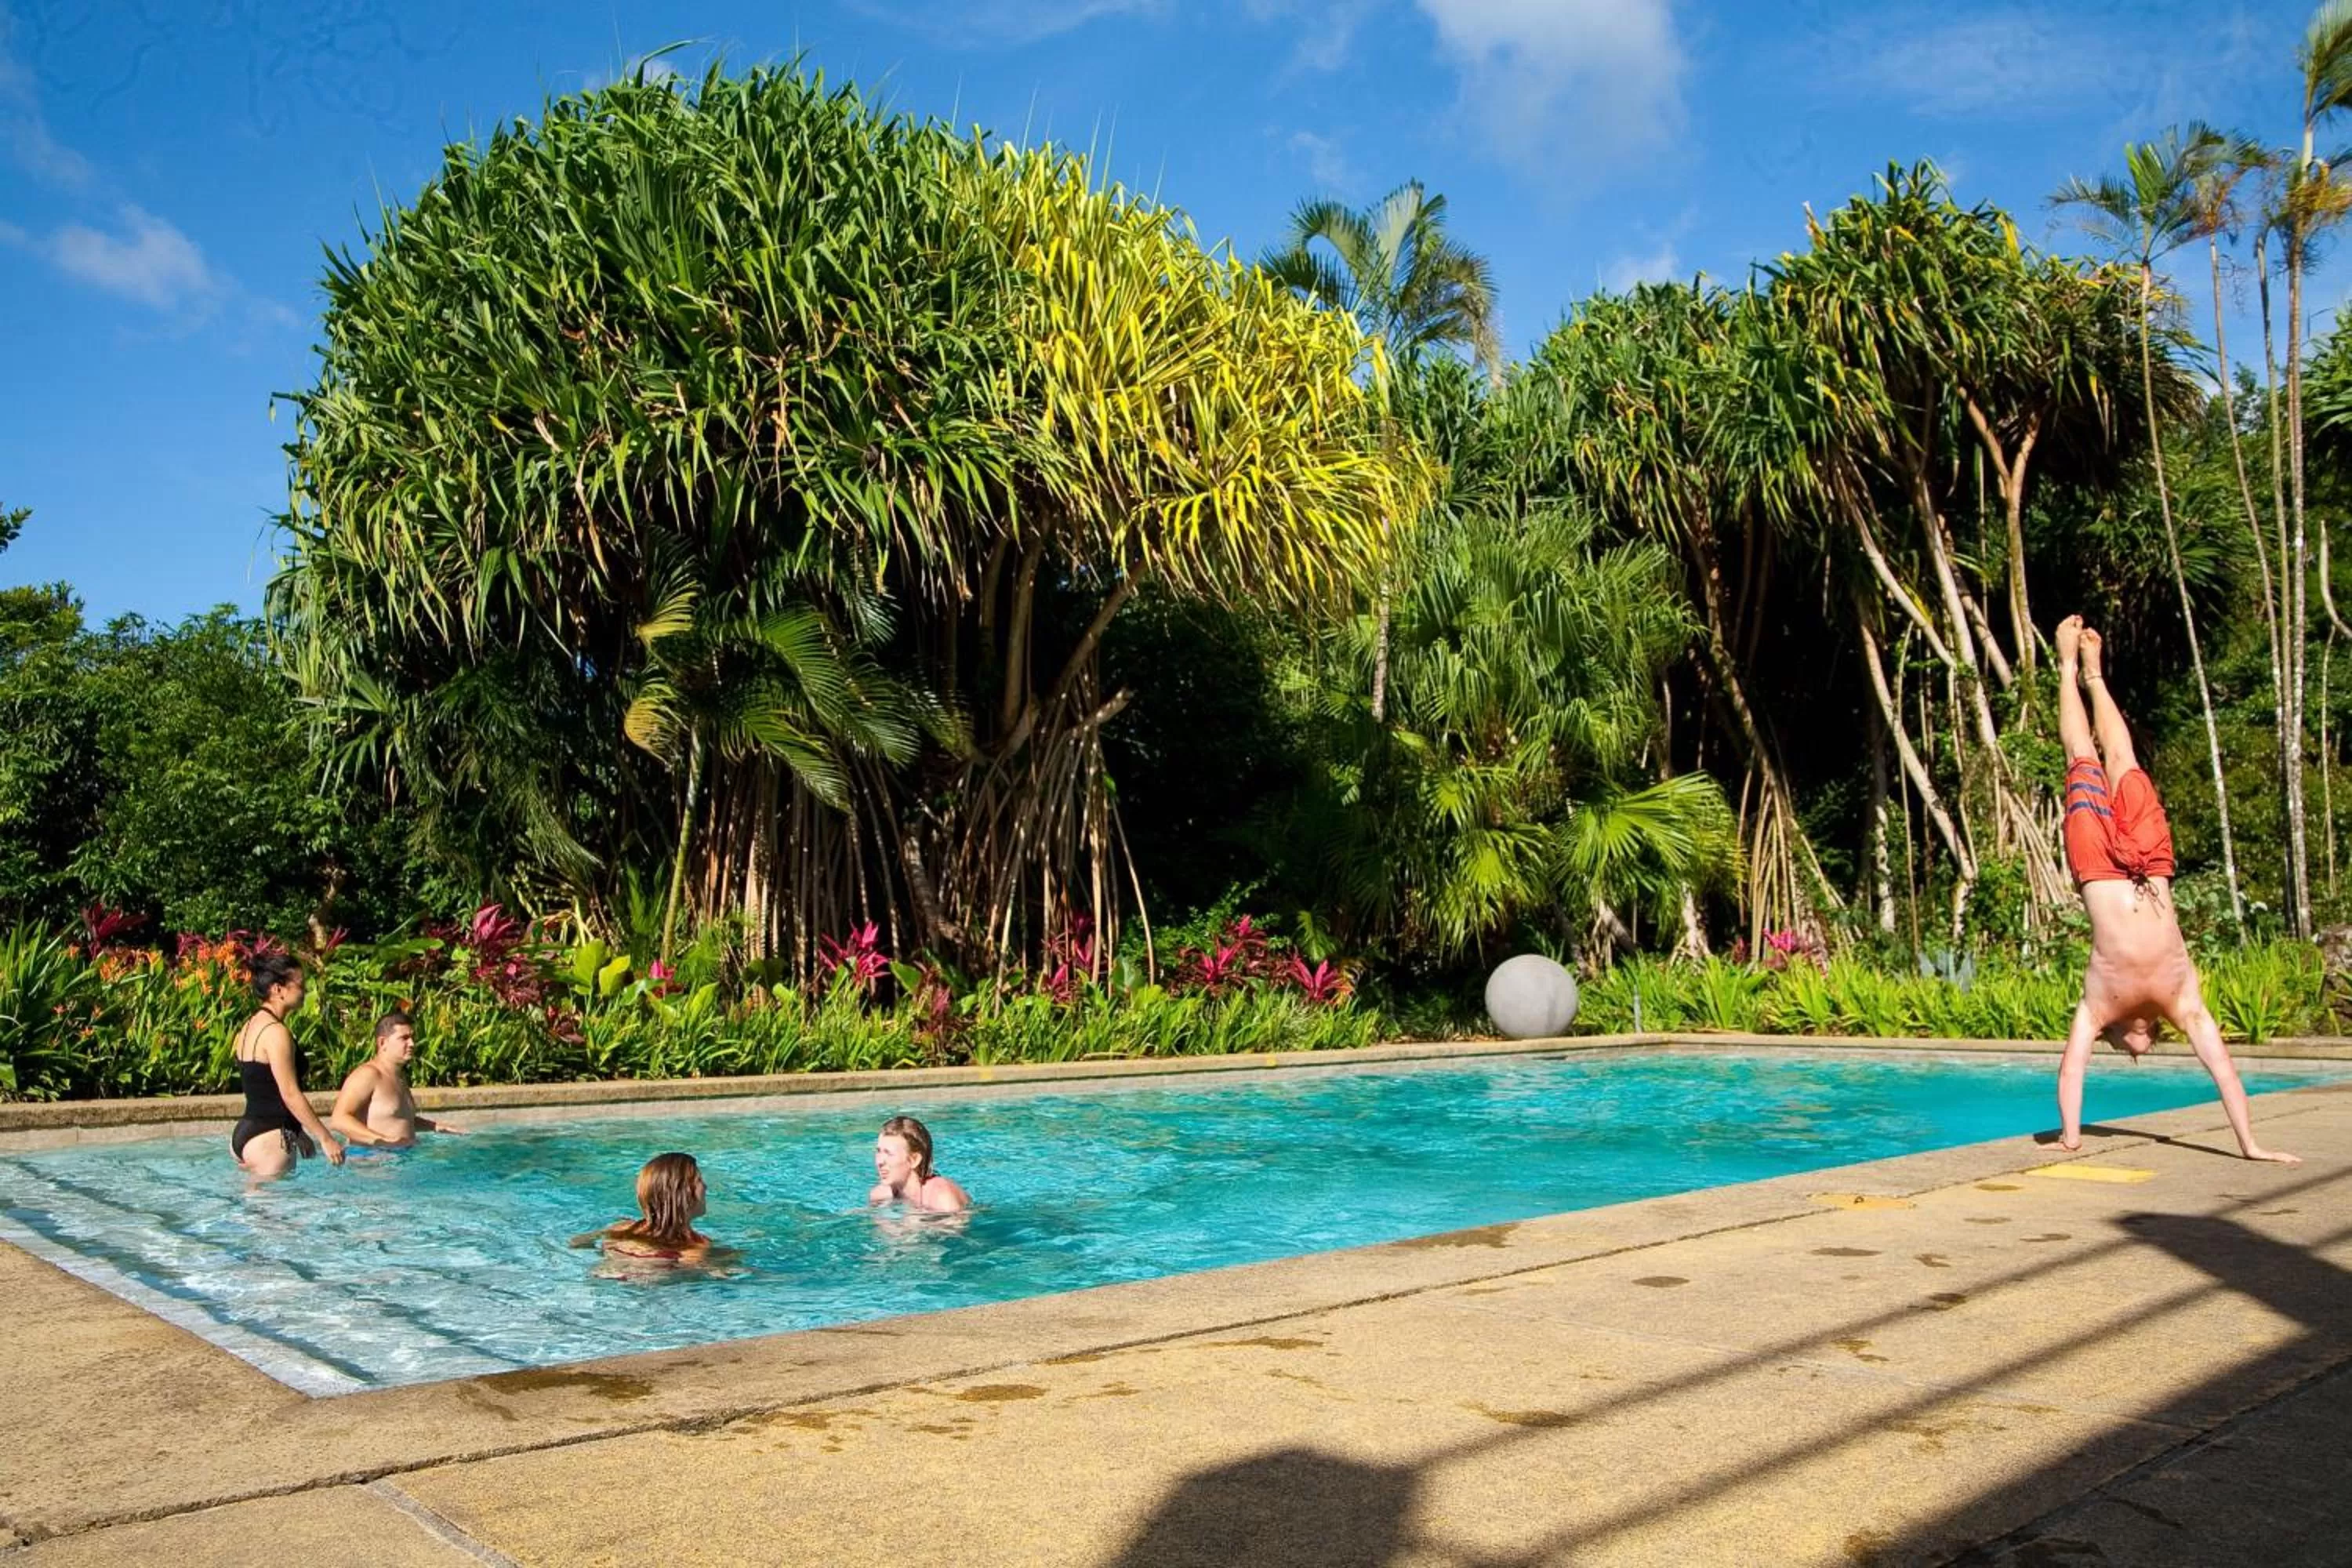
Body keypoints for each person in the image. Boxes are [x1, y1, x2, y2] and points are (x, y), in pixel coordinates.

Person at [2053, 615, 2297, 1163]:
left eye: (2124, 1053)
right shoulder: (2184, 1005)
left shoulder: (2096, 1010)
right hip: (2151, 866)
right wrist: (2249, 1143)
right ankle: (2095, 676)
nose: (2134, 1053)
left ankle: (2072, 666)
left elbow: (2071, 1068)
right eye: (2138, 1052)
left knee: (2083, 760)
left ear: (2120, 1038)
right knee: (2124, 761)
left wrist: (2071, 1133)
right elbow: (2224, 1069)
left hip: (2098, 868)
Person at [230, 953, 345, 1176]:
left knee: (255, 1211)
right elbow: (289, 1093)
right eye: (300, 985)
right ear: (278, 989)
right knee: (276, 1211)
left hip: (246, 1132)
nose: (305, 992)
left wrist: (298, 1132)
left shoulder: (250, 1025)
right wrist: (326, 1137)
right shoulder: (276, 1033)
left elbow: (263, 1088)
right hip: (270, 1141)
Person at [329, 1010, 464, 1149]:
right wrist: (385, 1141)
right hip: (372, 1163)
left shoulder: (398, 1076)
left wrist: (435, 1127)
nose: (412, 1043)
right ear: (382, 1043)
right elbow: (339, 1120)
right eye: (404, 1038)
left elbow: (398, 1119)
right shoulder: (368, 1075)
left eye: (412, 1037)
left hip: (398, 1161)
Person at [570, 1152, 721, 1265]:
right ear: (683, 1193)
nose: (705, 1187)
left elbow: (576, 1243)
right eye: (699, 1180)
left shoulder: (621, 1228)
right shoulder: (694, 1248)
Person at [869, 1115, 971, 1212]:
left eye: (889, 1153)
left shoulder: (943, 1198)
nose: (879, 1161)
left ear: (914, 1160)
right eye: (878, 1151)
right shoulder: (879, 1197)